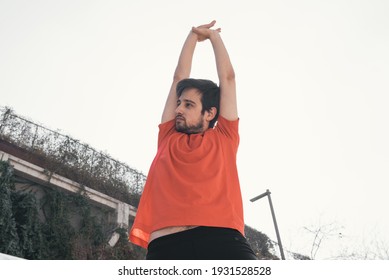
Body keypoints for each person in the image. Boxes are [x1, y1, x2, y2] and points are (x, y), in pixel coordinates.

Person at [129, 20, 257, 260]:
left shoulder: (225, 136)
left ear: (210, 113)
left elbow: (228, 79)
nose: (179, 109)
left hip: (221, 239)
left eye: (188, 105)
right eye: (179, 103)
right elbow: (179, 76)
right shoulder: (167, 136)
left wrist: (213, 38)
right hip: (166, 245)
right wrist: (192, 36)